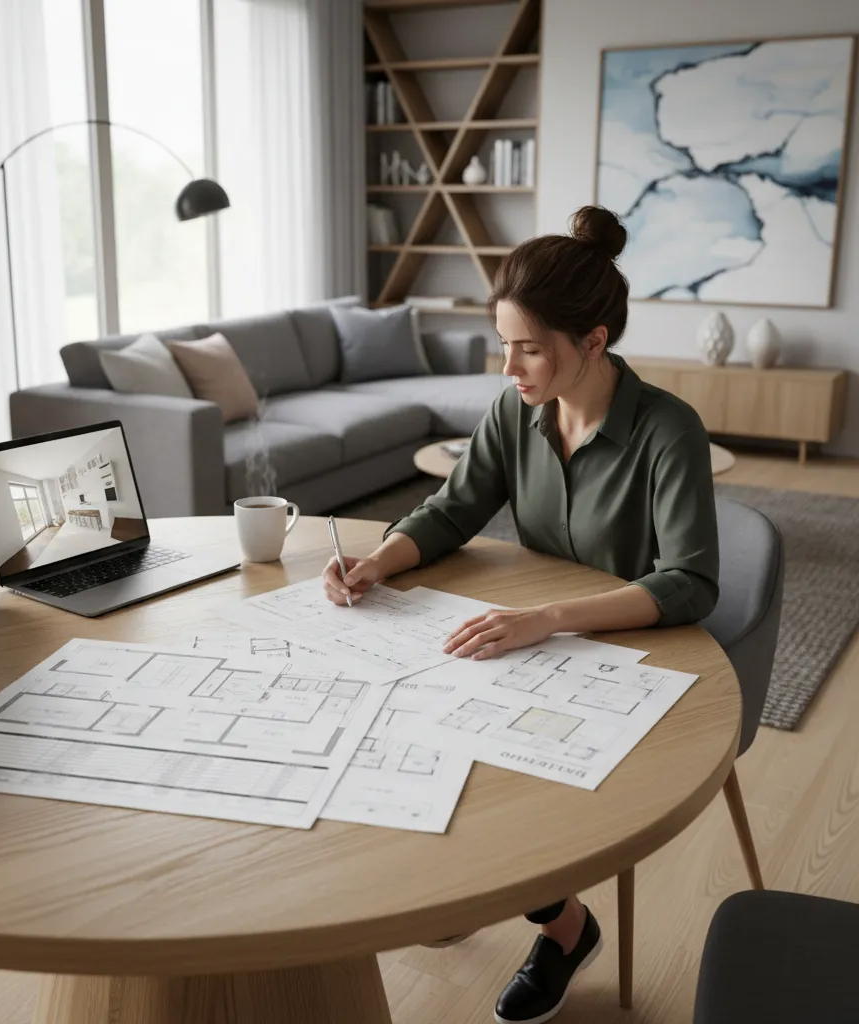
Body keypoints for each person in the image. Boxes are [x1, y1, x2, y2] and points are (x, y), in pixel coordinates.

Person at [322, 205, 719, 1024]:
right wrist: (377, 562)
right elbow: (453, 507)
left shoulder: (668, 430)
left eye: (529, 347)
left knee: (491, 771)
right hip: (533, 639)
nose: (509, 366)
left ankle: (566, 929)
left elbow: (690, 582)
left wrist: (551, 620)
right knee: (408, 722)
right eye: (504, 343)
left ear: (595, 341)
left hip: (633, 653)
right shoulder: (516, 411)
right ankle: (476, 888)